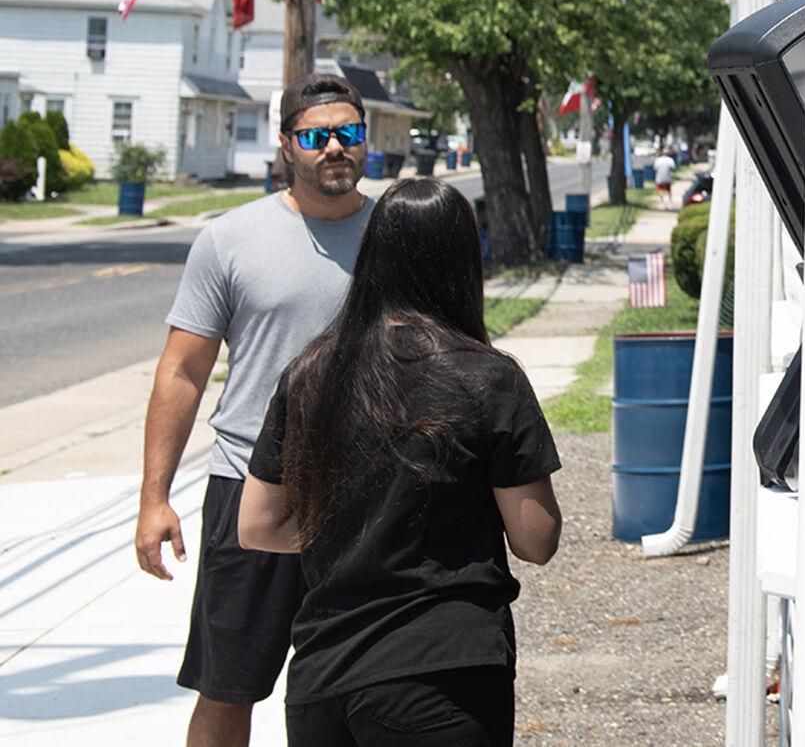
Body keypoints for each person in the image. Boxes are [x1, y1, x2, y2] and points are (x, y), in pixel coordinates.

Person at [237, 177, 562, 747]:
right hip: (443, 672)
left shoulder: (310, 373)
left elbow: (258, 525)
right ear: (464, 261)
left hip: (323, 677)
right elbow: (536, 539)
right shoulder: (488, 378)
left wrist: (355, 533)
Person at [135, 72, 375, 747]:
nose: (334, 147)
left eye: (348, 133)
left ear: (365, 140)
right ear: (286, 144)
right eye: (316, 135)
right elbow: (182, 371)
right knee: (228, 685)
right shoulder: (230, 239)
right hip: (251, 488)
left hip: (371, 492)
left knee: (366, 681)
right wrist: (155, 497)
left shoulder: (395, 231)